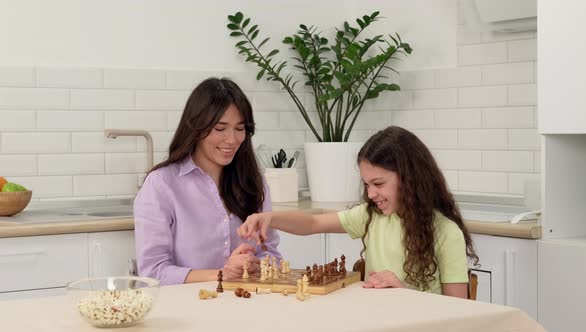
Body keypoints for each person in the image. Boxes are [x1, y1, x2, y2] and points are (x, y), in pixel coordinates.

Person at [238, 126, 478, 298]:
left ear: (410, 178)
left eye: (379, 184)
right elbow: (312, 223)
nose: (371, 194)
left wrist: (405, 294)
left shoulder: (446, 232)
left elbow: (458, 312)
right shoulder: (372, 216)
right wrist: (269, 218)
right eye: (366, 185)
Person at [134, 77, 281, 285]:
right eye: (220, 129)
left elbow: (272, 255)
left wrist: (256, 265)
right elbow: (153, 272)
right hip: (188, 308)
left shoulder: (254, 182)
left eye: (240, 129)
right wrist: (223, 274)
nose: (231, 139)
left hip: (246, 303)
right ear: (196, 127)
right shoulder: (161, 184)